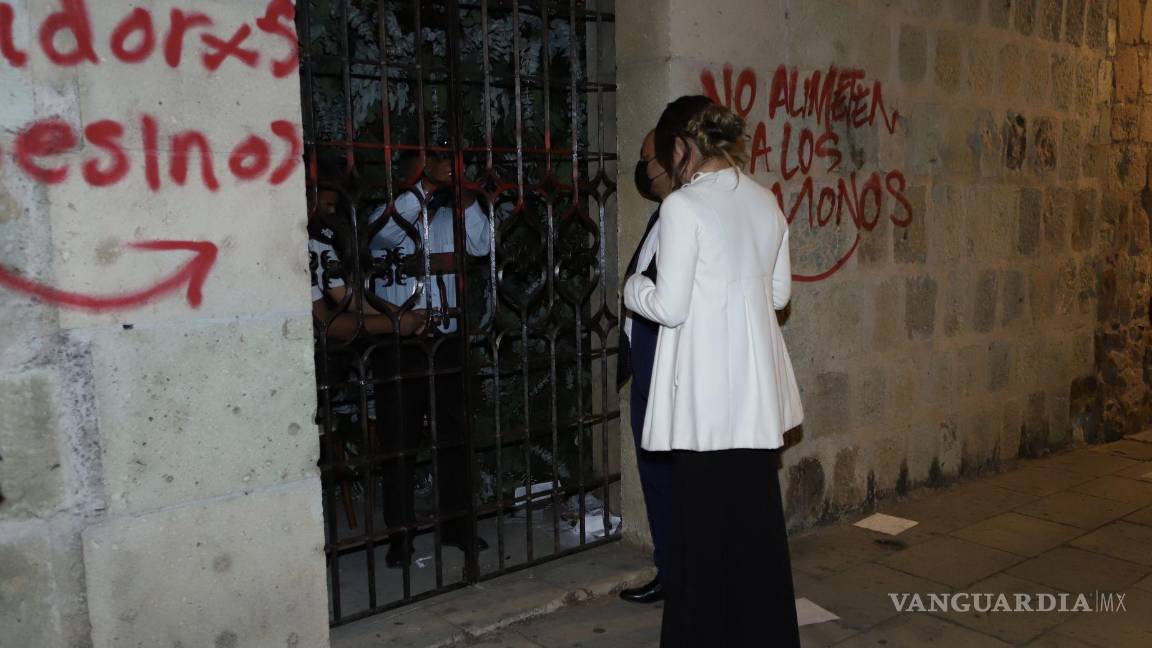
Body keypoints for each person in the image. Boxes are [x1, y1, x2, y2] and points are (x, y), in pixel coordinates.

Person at [623, 96, 804, 648]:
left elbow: (670, 306)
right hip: (753, 396)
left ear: (682, 147)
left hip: (703, 397)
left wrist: (633, 289)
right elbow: (779, 296)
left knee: (699, 535)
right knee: (755, 531)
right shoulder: (765, 199)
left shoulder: (684, 207)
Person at [366, 147, 492, 568]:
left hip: (447, 340)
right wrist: (424, 187)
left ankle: (457, 526)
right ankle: (400, 536)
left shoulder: (452, 215)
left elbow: (482, 245)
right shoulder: (383, 217)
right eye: (425, 172)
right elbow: (386, 237)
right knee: (400, 444)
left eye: (440, 170)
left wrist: (466, 193)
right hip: (401, 347)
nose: (439, 177)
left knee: (454, 440)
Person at [617, 129, 675, 604]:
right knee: (656, 478)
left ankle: (684, 573)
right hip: (645, 369)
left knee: (673, 481)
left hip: (669, 374)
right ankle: (669, 569)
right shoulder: (661, 214)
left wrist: (632, 289)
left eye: (647, 159)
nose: (643, 169)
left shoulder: (686, 217)